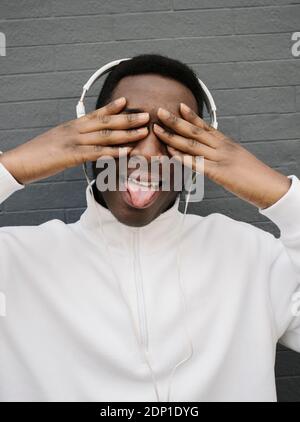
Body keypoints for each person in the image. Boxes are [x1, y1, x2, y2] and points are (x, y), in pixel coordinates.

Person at [0, 54, 299, 402]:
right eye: (127, 129)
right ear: (87, 139)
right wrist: (14, 166)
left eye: (173, 135)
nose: (149, 154)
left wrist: (280, 195)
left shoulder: (254, 257)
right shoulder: (14, 262)